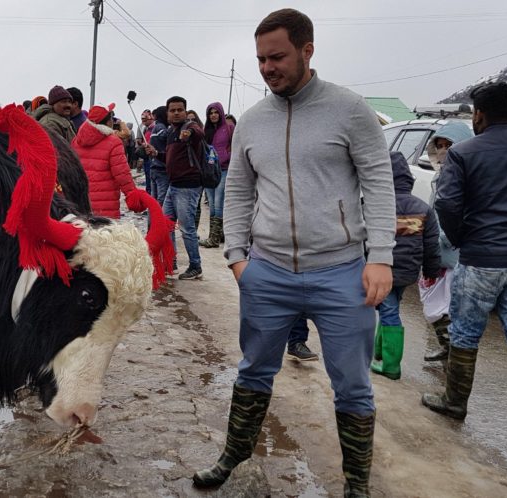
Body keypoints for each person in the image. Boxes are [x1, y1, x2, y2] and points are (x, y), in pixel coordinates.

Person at [192, 10, 395, 496]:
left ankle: (356, 485)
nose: (267, 67)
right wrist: (238, 258)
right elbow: (238, 190)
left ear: (307, 50)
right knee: (254, 370)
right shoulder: (254, 121)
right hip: (268, 272)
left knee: (352, 383)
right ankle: (233, 456)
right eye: (261, 58)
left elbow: (379, 182)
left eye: (277, 56)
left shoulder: (349, 110)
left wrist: (381, 255)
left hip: (342, 272)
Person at [422, 81, 507, 449]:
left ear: (478, 114)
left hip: (482, 259)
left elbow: (447, 205)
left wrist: (464, 239)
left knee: (466, 334)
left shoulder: (464, 154)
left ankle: (454, 403)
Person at [370, 151, 441, 380]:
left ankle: (391, 365)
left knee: (388, 310)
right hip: (408, 271)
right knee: (390, 307)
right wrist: (431, 272)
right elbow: (432, 245)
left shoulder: (376, 206)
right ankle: (379, 351)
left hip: (383, 270)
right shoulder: (423, 209)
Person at [420, 121, 474, 362]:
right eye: (439, 145)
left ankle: (453, 354)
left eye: (448, 145)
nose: (443, 150)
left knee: (447, 305)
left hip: (454, 250)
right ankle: (447, 347)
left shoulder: (468, 176)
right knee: (433, 300)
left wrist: (444, 237)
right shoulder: (441, 174)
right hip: (438, 249)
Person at [161, 96, 206, 280]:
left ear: (185, 112)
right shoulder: (172, 132)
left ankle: (195, 266)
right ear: (168, 114)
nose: (177, 113)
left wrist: (190, 134)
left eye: (180, 109)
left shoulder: (189, 127)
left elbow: (199, 133)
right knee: (166, 225)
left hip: (187, 187)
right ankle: (170, 261)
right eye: (173, 110)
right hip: (173, 186)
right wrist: (155, 153)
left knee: (187, 229)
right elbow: (170, 157)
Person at [71, 103, 136, 219]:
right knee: (106, 236)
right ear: (108, 121)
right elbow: (122, 175)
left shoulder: (76, 141)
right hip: (106, 207)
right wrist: (133, 196)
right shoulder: (114, 142)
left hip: (81, 205)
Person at [200, 102, 235, 249]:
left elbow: (236, 146)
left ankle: (214, 238)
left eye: (215, 112)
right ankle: (216, 235)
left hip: (223, 169)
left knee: (219, 203)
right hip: (209, 172)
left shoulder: (229, 128)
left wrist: (227, 156)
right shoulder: (205, 131)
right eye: (210, 112)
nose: (213, 115)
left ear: (220, 113)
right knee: (212, 204)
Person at [144, 106, 171, 207]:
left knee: (154, 200)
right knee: (162, 201)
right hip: (161, 168)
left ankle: (152, 222)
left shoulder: (154, 128)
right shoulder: (161, 128)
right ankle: (159, 221)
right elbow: (167, 137)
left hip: (154, 167)